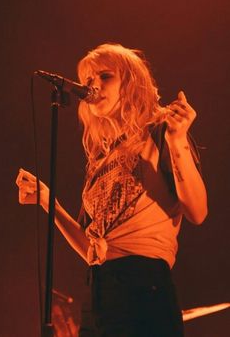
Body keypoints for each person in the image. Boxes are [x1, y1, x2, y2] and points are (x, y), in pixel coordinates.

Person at [16, 43, 208, 337]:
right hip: (99, 289)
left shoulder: (160, 130)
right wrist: (48, 202)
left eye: (105, 76)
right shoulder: (99, 158)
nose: (93, 85)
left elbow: (197, 211)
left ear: (132, 82)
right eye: (88, 78)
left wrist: (178, 141)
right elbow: (91, 250)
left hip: (143, 283)